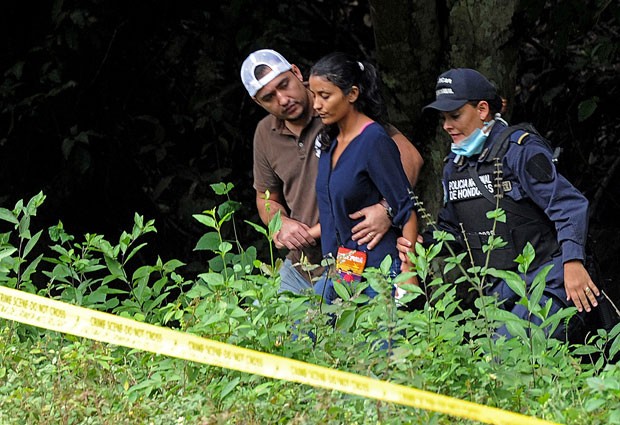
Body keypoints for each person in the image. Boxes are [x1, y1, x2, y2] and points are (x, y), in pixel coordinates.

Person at [397, 68, 599, 340]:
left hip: (548, 281)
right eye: (444, 118)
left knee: (508, 360)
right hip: (499, 291)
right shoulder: (454, 167)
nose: (446, 125)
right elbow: (453, 231)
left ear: (482, 110)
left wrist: (573, 262)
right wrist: (422, 244)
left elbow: (569, 206)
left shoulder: (520, 150)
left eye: (455, 115)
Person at [240, 49, 423, 294]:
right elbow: (266, 198)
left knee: (368, 319)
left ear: (296, 73)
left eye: (284, 85)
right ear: (257, 102)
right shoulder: (265, 133)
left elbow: (409, 158)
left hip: (360, 253)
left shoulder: (337, 109)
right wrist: (279, 223)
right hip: (305, 262)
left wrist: (386, 208)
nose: (283, 99)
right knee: (276, 326)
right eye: (269, 97)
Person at [308, 52, 419, 302]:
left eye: (325, 96)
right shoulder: (329, 142)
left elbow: (407, 208)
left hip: (379, 268)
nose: (316, 105)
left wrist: (408, 272)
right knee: (306, 332)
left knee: (381, 340)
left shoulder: (374, 140)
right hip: (345, 269)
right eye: (313, 95)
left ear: (352, 94)